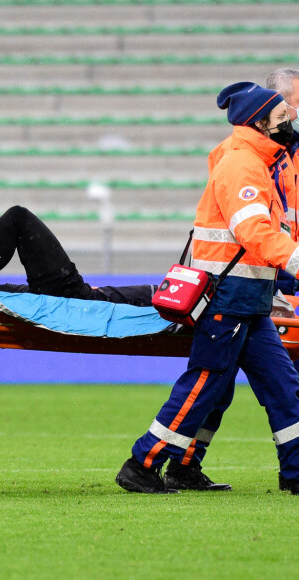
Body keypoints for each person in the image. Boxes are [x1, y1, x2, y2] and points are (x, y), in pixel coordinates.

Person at [115, 81, 299, 494]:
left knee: (283, 386)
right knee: (206, 383)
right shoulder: (242, 166)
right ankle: (142, 463)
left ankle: (296, 473)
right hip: (229, 296)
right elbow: (254, 233)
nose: (291, 123)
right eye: (283, 118)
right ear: (260, 122)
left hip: (248, 297)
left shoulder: (256, 160)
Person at [0, 205, 156, 306]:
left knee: (18, 217)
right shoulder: (168, 297)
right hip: (78, 298)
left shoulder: (170, 302)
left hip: (76, 300)